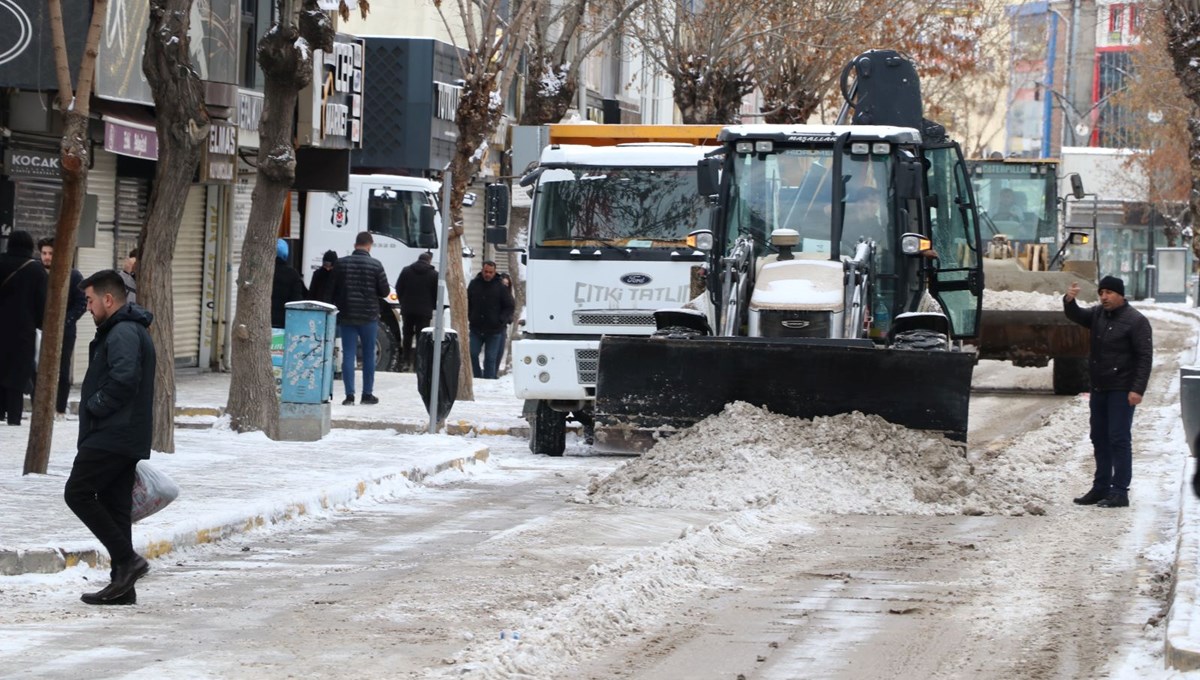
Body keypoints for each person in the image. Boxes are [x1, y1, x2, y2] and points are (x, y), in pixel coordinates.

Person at [65, 269, 156, 605]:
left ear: (107, 299)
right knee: (116, 508)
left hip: (113, 433)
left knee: (78, 492)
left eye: (89, 300)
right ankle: (123, 586)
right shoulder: (122, 330)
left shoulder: (123, 332)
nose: (87, 307)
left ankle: (129, 561)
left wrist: (95, 406)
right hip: (122, 433)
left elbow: (123, 379)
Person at [1065, 275, 1153, 509]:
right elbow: (1076, 315)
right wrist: (1069, 301)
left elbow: (1145, 357)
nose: (1104, 297)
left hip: (1122, 390)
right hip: (1100, 387)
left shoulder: (1136, 321)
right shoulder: (1097, 315)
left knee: (1118, 439)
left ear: (1121, 295)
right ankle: (1101, 487)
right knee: (1099, 438)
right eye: (1101, 293)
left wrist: (1137, 389)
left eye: (1109, 293)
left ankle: (1120, 491)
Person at [329, 231, 389, 405]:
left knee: (348, 353)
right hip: (369, 316)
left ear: (356, 245)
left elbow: (331, 289)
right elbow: (384, 291)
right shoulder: (376, 265)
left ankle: (349, 396)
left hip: (347, 314)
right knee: (369, 354)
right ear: (369, 245)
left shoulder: (341, 264)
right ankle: (367, 394)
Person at [0, 230, 48, 425]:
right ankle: (14, 417)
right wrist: (38, 323)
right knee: (17, 374)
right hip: (23, 331)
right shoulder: (36, 270)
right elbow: (41, 303)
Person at [38, 237, 88, 419]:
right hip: (38, 328)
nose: (47, 257)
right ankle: (40, 406)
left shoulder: (73, 275)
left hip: (65, 331)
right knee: (36, 367)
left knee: (62, 368)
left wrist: (66, 321)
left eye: (50, 253)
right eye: (44, 253)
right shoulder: (35, 272)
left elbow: (81, 302)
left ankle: (59, 409)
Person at [467, 260, 514, 380]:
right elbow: (467, 302)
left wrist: (501, 320)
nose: (488, 274)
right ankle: (477, 377)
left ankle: (489, 380)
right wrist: (470, 316)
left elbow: (509, 305)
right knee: (472, 353)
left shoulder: (501, 287)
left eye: (490, 272)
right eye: (486, 271)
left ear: (494, 272)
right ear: (482, 270)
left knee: (490, 358)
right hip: (476, 327)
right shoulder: (474, 284)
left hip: (494, 329)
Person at [395, 251, 438, 371]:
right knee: (422, 337)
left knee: (407, 335)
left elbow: (398, 288)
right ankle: (418, 363)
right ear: (429, 261)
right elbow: (436, 293)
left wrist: (403, 302)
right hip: (424, 311)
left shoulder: (406, 271)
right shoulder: (434, 274)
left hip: (408, 309)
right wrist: (432, 305)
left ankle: (406, 361)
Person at [271, 239, 307, 328]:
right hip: (285, 321)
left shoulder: (263, 272)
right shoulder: (293, 274)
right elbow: (297, 300)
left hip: (264, 320)